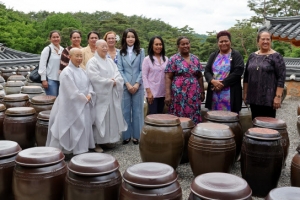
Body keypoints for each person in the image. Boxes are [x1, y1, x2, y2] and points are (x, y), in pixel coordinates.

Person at [46, 48, 96, 155]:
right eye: (76, 56)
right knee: (68, 126)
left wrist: (90, 94)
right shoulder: (66, 72)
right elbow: (71, 91)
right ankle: (59, 153)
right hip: (70, 105)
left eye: (80, 56)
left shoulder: (83, 71)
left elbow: (89, 85)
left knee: (82, 125)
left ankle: (81, 150)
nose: (79, 58)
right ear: (70, 57)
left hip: (83, 103)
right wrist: (83, 98)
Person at [86, 39, 127, 152]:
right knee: (98, 118)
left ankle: (106, 140)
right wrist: (110, 82)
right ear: (96, 48)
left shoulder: (110, 61)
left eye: (106, 46)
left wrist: (116, 81)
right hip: (99, 96)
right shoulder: (92, 62)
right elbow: (94, 78)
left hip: (110, 95)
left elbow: (118, 75)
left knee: (110, 118)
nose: (105, 48)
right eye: (102, 46)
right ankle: (95, 143)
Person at [243, 31, 286, 120]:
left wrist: (278, 97)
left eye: (268, 39)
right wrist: (245, 93)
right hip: (253, 97)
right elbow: (246, 77)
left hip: (268, 99)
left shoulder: (276, 57)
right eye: (263, 39)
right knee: (255, 122)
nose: (265, 41)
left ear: (271, 41)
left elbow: (281, 78)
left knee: (267, 125)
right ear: (258, 41)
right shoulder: (252, 56)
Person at [165, 36, 205, 124]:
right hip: (178, 93)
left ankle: (193, 134)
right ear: (178, 46)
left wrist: (202, 91)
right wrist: (167, 94)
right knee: (179, 113)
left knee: (193, 112)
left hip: (193, 93)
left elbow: (200, 76)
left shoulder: (195, 59)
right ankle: (178, 134)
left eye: (187, 43)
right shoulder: (173, 59)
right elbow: (168, 76)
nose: (185, 46)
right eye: (183, 44)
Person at [204, 31, 244, 113]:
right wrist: (212, 81)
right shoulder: (213, 55)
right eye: (221, 41)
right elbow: (207, 71)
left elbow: (238, 72)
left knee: (231, 120)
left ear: (230, 42)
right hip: (214, 94)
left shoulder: (236, 55)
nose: (223, 43)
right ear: (217, 43)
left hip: (230, 93)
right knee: (214, 119)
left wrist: (222, 84)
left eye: (226, 41)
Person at [117, 28, 145, 145]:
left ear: (135, 38)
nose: (130, 39)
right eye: (128, 37)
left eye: (132, 37)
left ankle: (137, 136)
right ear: (124, 38)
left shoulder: (141, 51)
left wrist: (137, 83)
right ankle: (126, 135)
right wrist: (127, 84)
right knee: (125, 110)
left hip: (138, 85)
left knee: (138, 111)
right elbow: (120, 69)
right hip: (125, 85)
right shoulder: (120, 52)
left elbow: (142, 69)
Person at [142, 36, 167, 114]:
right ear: (152, 46)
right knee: (153, 116)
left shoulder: (166, 59)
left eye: (160, 44)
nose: (159, 46)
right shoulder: (147, 59)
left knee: (161, 115)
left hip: (163, 93)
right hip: (152, 93)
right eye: (156, 44)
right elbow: (144, 76)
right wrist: (149, 92)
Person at [38, 30, 64, 96]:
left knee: (60, 101)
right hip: (51, 79)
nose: (56, 39)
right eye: (54, 37)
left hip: (61, 79)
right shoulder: (47, 49)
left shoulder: (62, 49)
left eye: (57, 37)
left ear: (60, 38)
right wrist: (43, 80)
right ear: (50, 39)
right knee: (52, 101)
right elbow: (42, 65)